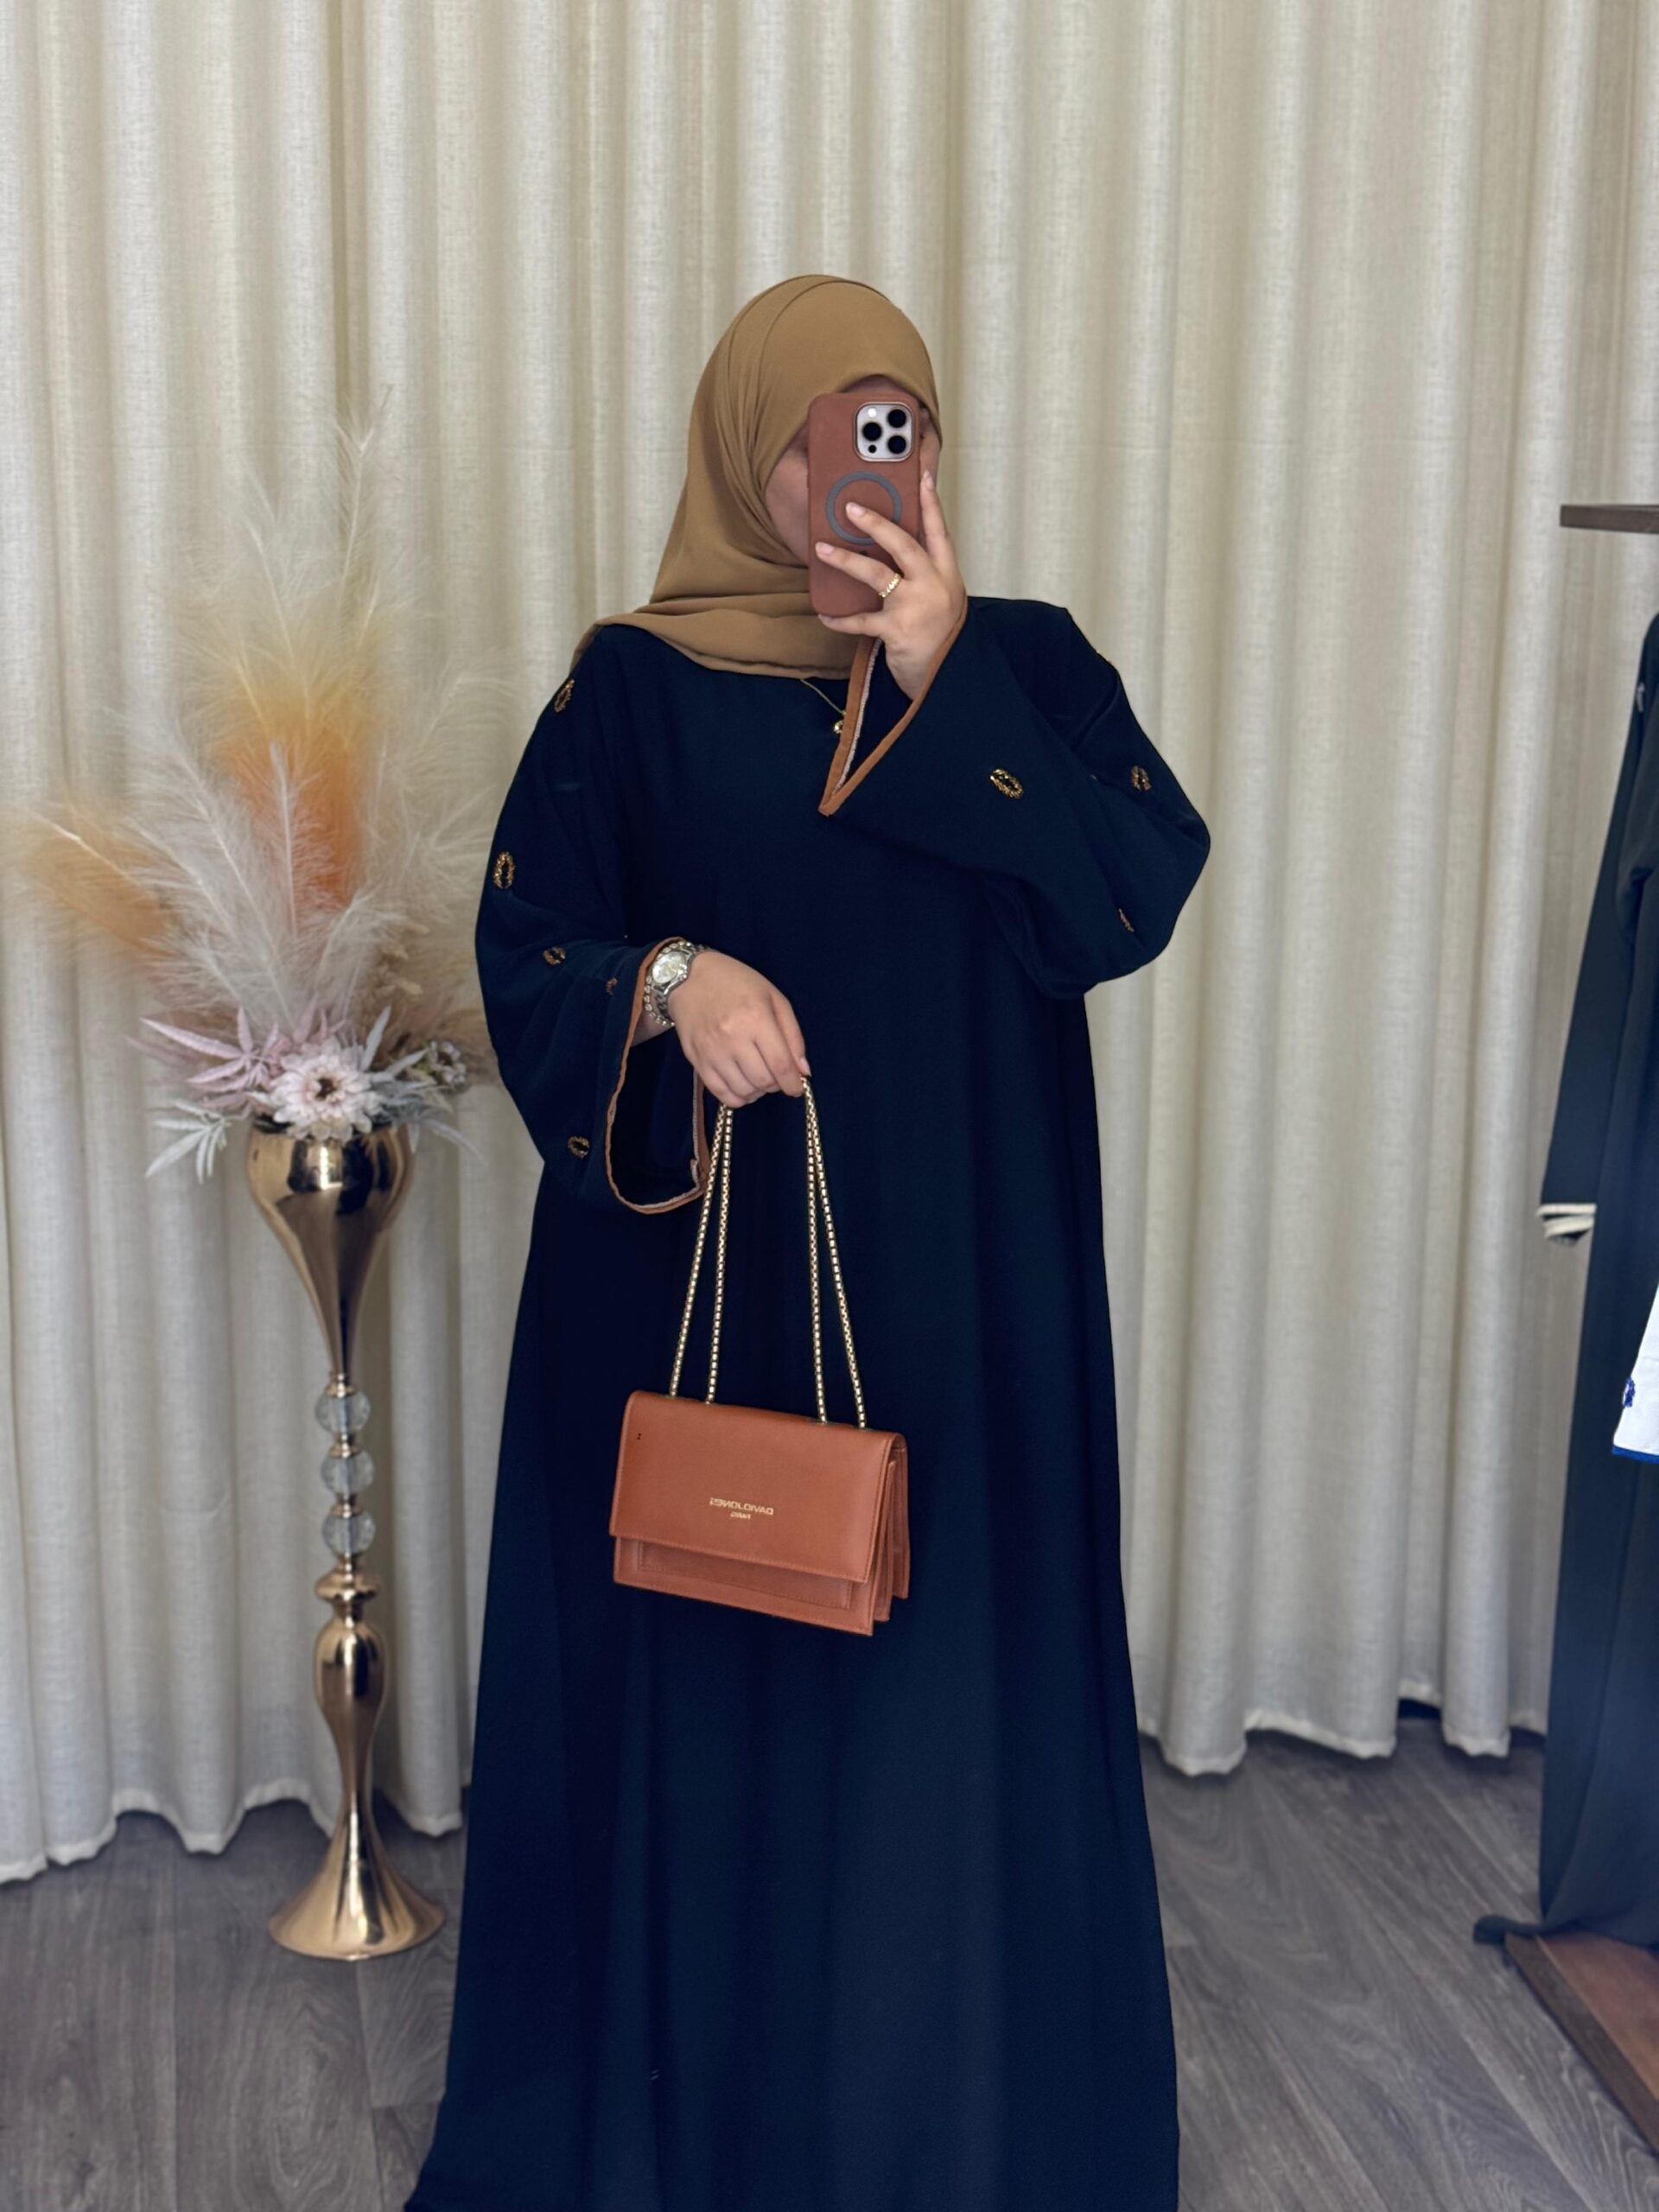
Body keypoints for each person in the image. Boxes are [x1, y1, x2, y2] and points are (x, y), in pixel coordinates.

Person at [406, 272, 1211, 2212]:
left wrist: (948, 673)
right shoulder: (630, 689)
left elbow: (1127, 897)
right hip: (696, 1295)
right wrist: (669, 981)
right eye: (823, 434)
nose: (862, 470)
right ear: (743, 453)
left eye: (895, 426)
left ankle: (944, 2131)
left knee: (939, 1682)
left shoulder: (1027, 664)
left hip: (971, 1293)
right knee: (715, 1672)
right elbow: (529, 950)